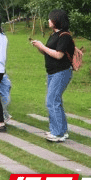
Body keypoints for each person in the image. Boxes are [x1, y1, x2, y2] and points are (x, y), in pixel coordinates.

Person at [30, 9, 76, 142]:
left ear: (57, 20)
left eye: (50, 19)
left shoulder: (65, 36)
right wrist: (39, 47)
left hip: (61, 72)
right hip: (52, 73)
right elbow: (47, 52)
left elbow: (58, 54)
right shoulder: (54, 35)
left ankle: (58, 134)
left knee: (52, 101)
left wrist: (42, 46)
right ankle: (61, 130)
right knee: (56, 102)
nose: (48, 21)